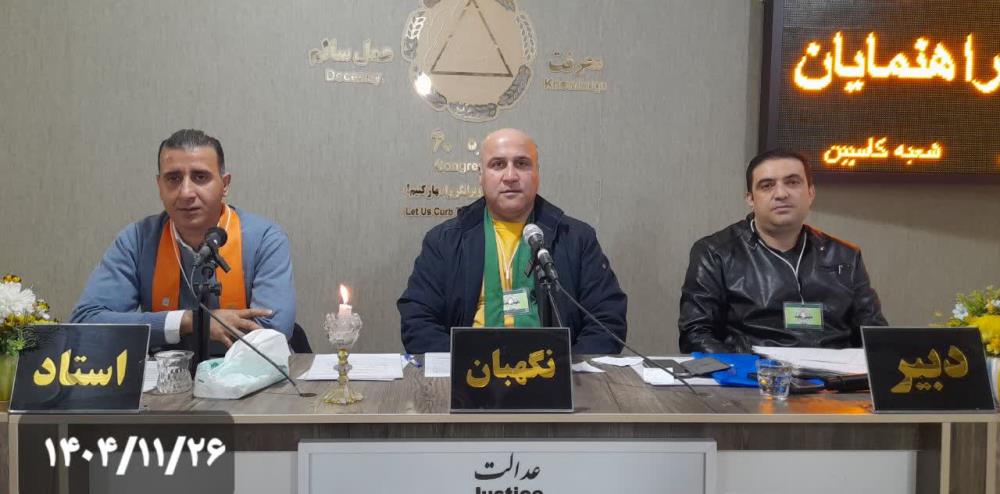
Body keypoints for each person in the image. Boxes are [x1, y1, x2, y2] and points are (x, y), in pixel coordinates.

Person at [398, 128, 627, 354]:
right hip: (471, 371)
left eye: (522, 164)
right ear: (481, 175)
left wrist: (566, 367)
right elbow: (418, 320)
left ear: (537, 174)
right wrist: (458, 365)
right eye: (498, 164)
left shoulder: (576, 238)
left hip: (551, 371)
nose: (510, 176)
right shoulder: (444, 241)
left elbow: (607, 319)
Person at [71, 129, 295, 352]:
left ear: (225, 184)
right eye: (173, 179)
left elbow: (273, 332)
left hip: (247, 372)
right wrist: (190, 322)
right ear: (159, 186)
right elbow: (85, 322)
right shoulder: (137, 240)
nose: (186, 192)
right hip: (164, 373)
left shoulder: (265, 239)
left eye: (200, 177)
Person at [678, 149, 886, 353]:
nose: (781, 194)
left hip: (836, 374)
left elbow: (875, 336)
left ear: (811, 193)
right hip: (754, 372)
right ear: (750, 199)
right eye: (767, 186)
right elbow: (696, 334)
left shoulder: (845, 255)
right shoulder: (716, 253)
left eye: (792, 182)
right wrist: (753, 369)